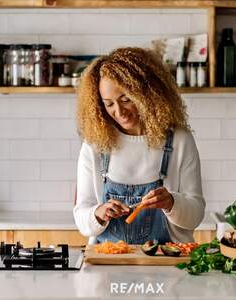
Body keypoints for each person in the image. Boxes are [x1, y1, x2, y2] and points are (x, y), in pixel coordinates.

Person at [73, 47, 205, 245]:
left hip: (166, 263)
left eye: (126, 99)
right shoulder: (95, 145)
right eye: (109, 104)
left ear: (148, 94)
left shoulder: (179, 140)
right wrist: (98, 213)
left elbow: (196, 213)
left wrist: (171, 203)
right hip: (107, 264)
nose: (119, 112)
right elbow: (82, 218)